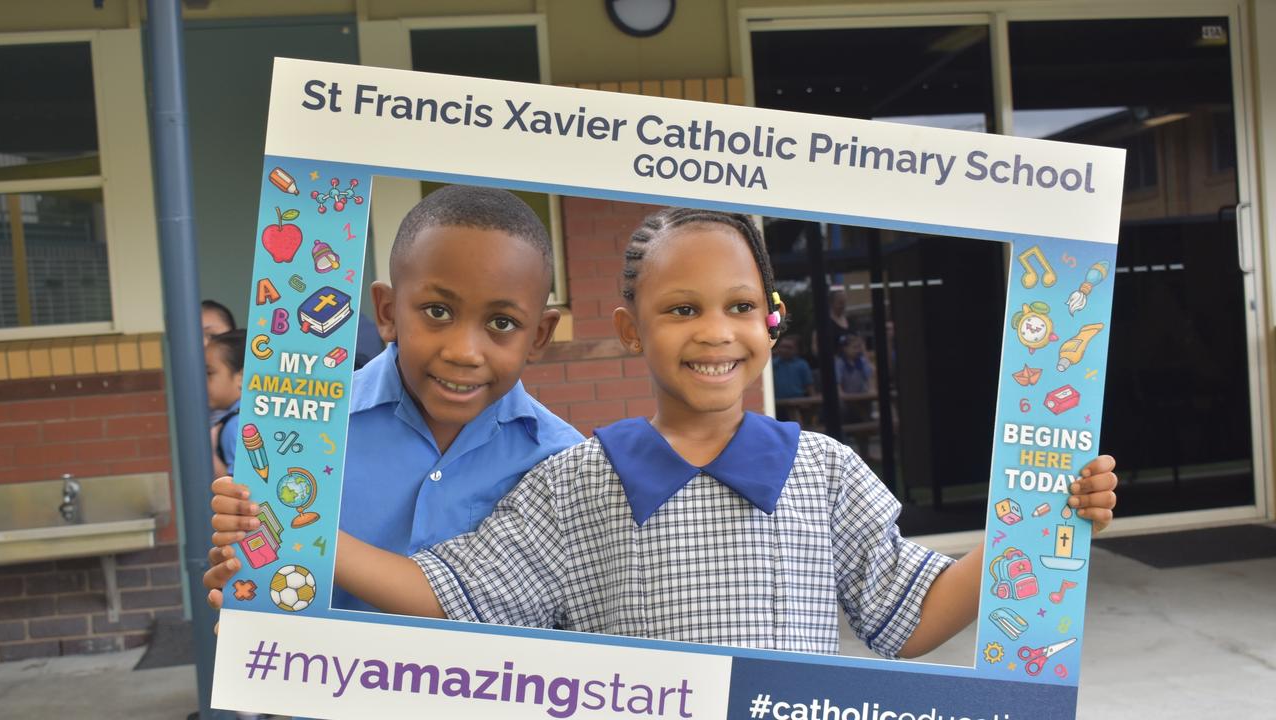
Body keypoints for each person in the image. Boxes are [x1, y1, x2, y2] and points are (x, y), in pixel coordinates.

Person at [206, 208, 1117, 659]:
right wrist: (291, 531)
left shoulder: (827, 474)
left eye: (738, 307)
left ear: (773, 326)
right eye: (681, 309)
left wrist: (1041, 523)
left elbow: (907, 613)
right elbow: (453, 594)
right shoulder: (573, 479)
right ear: (633, 330)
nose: (714, 331)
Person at [204, 185, 583, 615]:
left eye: (502, 322)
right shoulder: (301, 434)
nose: (464, 352)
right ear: (387, 312)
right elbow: (270, 582)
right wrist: (245, 591)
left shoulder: (562, 463)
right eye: (438, 311)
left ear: (539, 336)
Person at [205, 329, 245, 479]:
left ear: (242, 377)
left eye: (209, 373)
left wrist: (210, 455)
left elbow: (241, 490)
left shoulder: (236, 425)